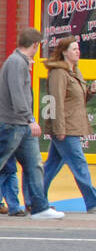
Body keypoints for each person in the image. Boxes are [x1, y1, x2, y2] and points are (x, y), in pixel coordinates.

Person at [0, 28, 64, 220]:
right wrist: (30, 118)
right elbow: (18, 93)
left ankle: (39, 207)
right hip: (13, 124)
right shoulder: (16, 62)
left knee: (35, 164)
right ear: (35, 45)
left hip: (20, 125)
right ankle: (39, 206)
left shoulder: (18, 62)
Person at [42, 36, 96, 214]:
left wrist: (91, 92)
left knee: (51, 166)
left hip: (72, 124)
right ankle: (93, 200)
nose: (78, 51)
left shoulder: (75, 71)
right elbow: (56, 101)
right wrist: (59, 129)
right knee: (79, 163)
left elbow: (78, 100)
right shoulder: (58, 73)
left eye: (78, 48)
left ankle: (36, 198)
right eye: (74, 49)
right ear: (64, 52)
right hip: (65, 127)